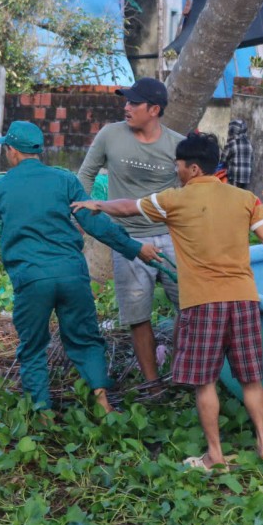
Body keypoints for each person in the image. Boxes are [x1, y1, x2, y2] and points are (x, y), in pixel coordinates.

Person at [73, 132, 263, 469]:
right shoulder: (246, 199)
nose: (175, 170)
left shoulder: (174, 200)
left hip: (202, 303)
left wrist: (97, 204)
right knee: (251, 379)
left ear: (192, 168)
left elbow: (128, 207)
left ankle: (215, 455)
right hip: (243, 300)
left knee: (204, 382)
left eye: (178, 165)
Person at [0, 121, 158, 414]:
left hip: (32, 279)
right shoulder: (64, 180)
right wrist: (135, 248)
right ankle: (102, 401)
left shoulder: (1, 186)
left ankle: (42, 414)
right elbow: (95, 223)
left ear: (12, 151)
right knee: (84, 338)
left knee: (33, 347)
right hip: (72, 275)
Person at [78, 77, 183, 383]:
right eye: (126, 101)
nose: (126, 107)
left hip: (171, 236)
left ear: (154, 110)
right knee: (138, 316)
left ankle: (179, 373)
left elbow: (191, 190)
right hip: (127, 239)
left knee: (188, 308)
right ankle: (153, 386)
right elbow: (86, 174)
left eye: (133, 103)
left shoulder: (176, 144)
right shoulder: (110, 135)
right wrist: (82, 217)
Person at [220, 118, 253, 190]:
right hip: (246, 178)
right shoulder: (249, 144)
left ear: (232, 130)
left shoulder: (232, 143)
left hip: (234, 178)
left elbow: (222, 160)